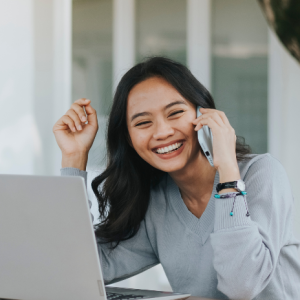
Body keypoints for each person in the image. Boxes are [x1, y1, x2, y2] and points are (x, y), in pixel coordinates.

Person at [53, 57, 300, 300]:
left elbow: (242, 286)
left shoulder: (262, 174)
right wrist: (74, 158)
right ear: (129, 139)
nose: (162, 132)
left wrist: (227, 169)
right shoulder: (156, 202)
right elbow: (76, 267)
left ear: (204, 114)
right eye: (143, 122)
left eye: (175, 113)